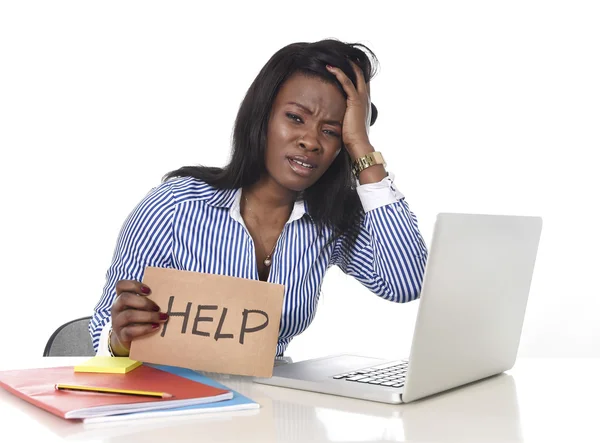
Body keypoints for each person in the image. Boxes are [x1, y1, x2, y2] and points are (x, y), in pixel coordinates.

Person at [90, 38, 429, 358]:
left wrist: (362, 149)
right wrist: (118, 340)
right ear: (262, 117)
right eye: (295, 118)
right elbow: (102, 331)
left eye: (332, 131)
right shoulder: (174, 207)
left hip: (271, 406)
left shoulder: (329, 221)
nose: (310, 141)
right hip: (174, 402)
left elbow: (407, 282)